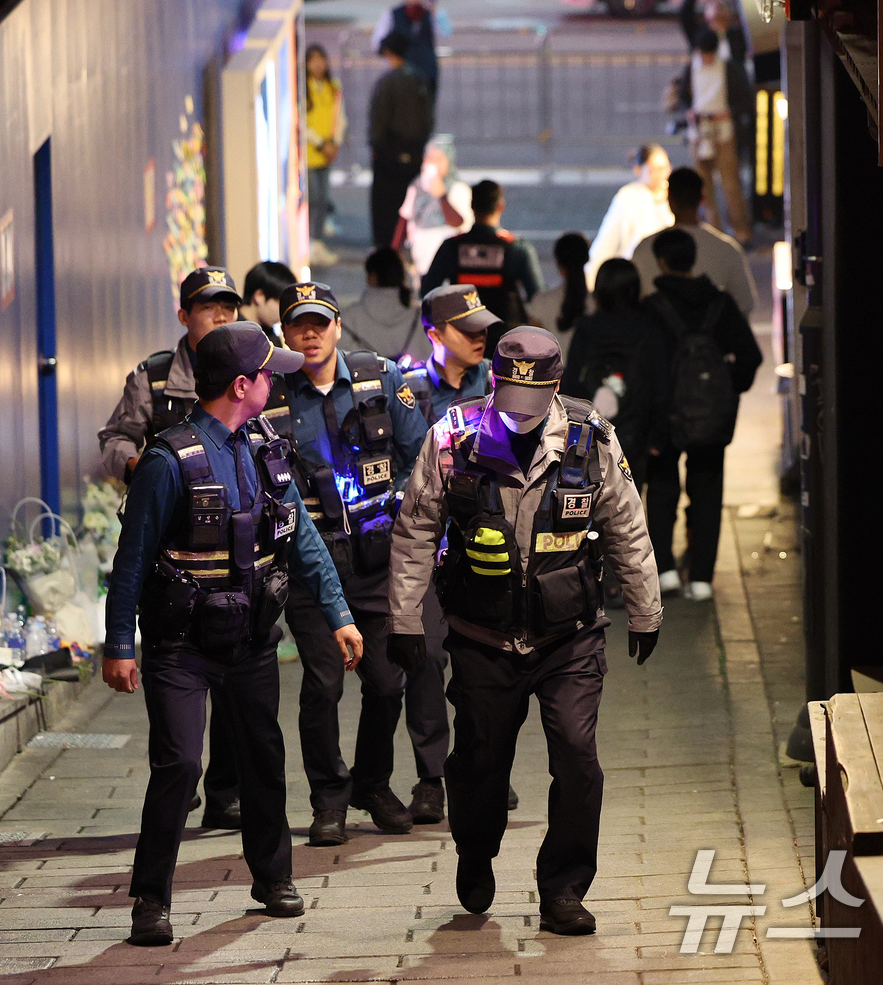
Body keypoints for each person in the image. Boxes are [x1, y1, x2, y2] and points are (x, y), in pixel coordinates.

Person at [388, 326, 663, 936]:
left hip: (569, 635)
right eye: (510, 398)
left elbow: (626, 524)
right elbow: (415, 531)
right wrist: (405, 619)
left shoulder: (591, 439)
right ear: (496, 382)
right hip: (482, 635)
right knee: (481, 762)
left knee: (578, 756)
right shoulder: (452, 438)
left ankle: (564, 888)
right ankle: (475, 850)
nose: (519, 416)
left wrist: (646, 609)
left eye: (532, 402)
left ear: (555, 387)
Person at [103, 322, 365, 946]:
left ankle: (273, 878)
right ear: (242, 384)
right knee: (180, 765)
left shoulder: (265, 447)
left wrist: (339, 615)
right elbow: (132, 560)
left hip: (251, 642)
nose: (277, 381)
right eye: (267, 373)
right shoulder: (168, 461)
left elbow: (302, 541)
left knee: (263, 761)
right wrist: (119, 645)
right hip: (181, 647)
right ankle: (150, 899)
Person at [271, 281, 429, 846]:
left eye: (319, 323)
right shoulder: (270, 395)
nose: (309, 335)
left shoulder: (381, 379)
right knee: (323, 683)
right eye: (297, 325)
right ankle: (329, 797)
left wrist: (398, 504)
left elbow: (421, 456)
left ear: (338, 326)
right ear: (284, 333)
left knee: (388, 683)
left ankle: (373, 783)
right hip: (310, 563)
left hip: (375, 555)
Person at [96, 267, 246, 832]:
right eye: (210, 307)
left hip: (227, 546)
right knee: (173, 663)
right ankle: (177, 775)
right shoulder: (155, 377)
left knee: (235, 667)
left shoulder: (248, 372)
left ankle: (226, 788)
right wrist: (141, 468)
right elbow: (114, 439)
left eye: (228, 307)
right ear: (185, 316)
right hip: (168, 544)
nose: (222, 316)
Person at [395, 285, 494, 823]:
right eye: (467, 330)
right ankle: (431, 776)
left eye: (483, 328)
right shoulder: (408, 392)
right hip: (430, 548)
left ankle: (484, 768)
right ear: (435, 334)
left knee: (486, 664)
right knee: (428, 658)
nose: (480, 338)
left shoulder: (503, 384)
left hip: (489, 547)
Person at [644, 228, 762, 601]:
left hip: (665, 417)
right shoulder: (721, 304)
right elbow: (751, 357)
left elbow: (642, 365)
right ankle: (701, 579)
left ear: (661, 262)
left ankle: (664, 573)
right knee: (708, 493)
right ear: (692, 259)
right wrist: (727, 389)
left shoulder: (653, 308)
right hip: (711, 418)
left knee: (662, 491)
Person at [560, 258, 664, 492]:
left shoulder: (586, 328)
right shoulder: (648, 327)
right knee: (629, 505)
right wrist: (657, 436)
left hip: (592, 434)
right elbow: (660, 384)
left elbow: (572, 383)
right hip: (636, 431)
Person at [420, 179, 545, 355]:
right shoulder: (517, 248)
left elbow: (427, 291)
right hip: (508, 344)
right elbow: (538, 296)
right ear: (500, 206)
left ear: (472, 206)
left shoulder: (451, 247)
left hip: (463, 342)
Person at [632, 167, 757, 315]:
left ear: (669, 198)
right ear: (702, 199)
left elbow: (633, 304)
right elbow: (744, 305)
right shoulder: (726, 249)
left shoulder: (645, 249)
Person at [680, 0, 754, 243]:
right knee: (704, 187)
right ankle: (713, 232)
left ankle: (741, 232)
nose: (707, 58)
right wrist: (689, 111)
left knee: (730, 184)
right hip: (699, 131)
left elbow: (744, 97)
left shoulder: (728, 68)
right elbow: (683, 96)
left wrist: (728, 113)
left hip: (723, 131)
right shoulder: (692, 66)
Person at [369, 32, 435, 248]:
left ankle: (388, 249)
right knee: (412, 202)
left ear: (389, 53)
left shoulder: (387, 82)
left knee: (386, 208)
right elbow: (428, 120)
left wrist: (377, 148)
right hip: (414, 152)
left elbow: (378, 122)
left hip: (389, 154)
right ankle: (409, 242)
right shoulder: (419, 79)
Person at [584, 145, 674, 288]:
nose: (661, 174)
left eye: (665, 168)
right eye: (654, 169)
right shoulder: (628, 197)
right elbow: (607, 241)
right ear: (638, 169)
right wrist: (590, 280)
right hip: (635, 277)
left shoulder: (674, 196)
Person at [394, 135, 473, 280]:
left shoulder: (458, 188)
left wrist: (442, 196)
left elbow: (459, 222)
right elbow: (405, 218)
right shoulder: (417, 187)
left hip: (449, 263)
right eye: (429, 158)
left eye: (438, 159)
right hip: (420, 259)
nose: (432, 164)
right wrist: (394, 254)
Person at [340, 248, 427, 363]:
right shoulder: (423, 317)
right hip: (413, 380)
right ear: (402, 276)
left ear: (372, 277)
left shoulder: (348, 319)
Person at [524, 232, 596, 358]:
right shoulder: (598, 302)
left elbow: (532, 348)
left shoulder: (541, 303)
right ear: (586, 259)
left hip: (551, 375)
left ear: (558, 262)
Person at [305, 45, 345, 266]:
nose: (318, 64)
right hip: (310, 156)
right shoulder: (302, 88)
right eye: (313, 60)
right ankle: (309, 241)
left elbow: (340, 116)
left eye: (322, 59)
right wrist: (320, 143)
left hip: (326, 154)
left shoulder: (333, 86)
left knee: (322, 200)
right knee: (314, 199)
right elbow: (300, 119)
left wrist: (334, 142)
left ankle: (316, 242)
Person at [370, 0, 452, 97]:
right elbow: (378, 43)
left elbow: (445, 33)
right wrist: (391, 62)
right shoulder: (393, 14)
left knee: (425, 105)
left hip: (427, 71)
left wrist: (434, 11)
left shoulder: (430, 13)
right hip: (401, 73)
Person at [242, 261, 297, 345]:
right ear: (259, 296)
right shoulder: (228, 331)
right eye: (281, 305)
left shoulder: (271, 339)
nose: (284, 314)